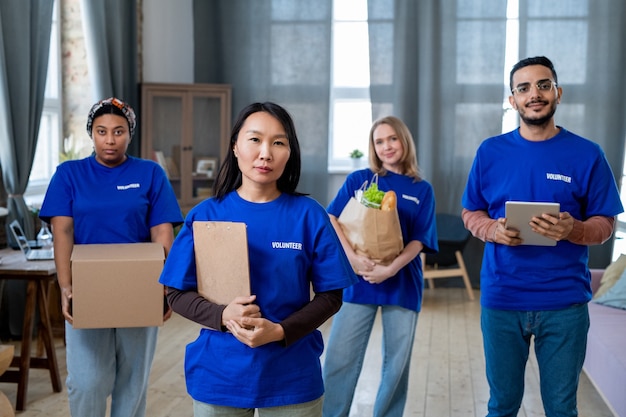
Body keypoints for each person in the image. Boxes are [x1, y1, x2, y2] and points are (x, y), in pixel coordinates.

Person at [159, 102, 357, 417]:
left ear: (289, 153)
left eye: (278, 142)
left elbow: (331, 296)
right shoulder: (205, 216)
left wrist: (279, 331)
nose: (265, 152)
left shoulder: (309, 216)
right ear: (235, 147)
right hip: (219, 377)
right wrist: (224, 315)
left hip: (292, 377)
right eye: (255, 139)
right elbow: (176, 293)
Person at [461, 56, 624, 417]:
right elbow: (470, 212)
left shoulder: (588, 154)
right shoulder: (490, 152)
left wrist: (575, 229)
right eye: (523, 88)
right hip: (503, 299)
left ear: (557, 93)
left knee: (562, 409)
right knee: (501, 405)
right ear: (512, 100)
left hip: (564, 304)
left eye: (543, 85)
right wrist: (492, 229)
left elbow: (605, 225)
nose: (534, 94)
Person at [39, 97, 183, 417]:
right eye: (102, 131)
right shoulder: (69, 174)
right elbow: (62, 232)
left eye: (118, 131)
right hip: (88, 286)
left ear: (129, 134)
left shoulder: (150, 173)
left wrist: (167, 286)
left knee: (132, 381)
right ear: (91, 133)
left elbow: (162, 233)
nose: (110, 139)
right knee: (87, 382)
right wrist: (65, 286)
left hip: (140, 285)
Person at [322, 116, 438, 417]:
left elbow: (420, 240)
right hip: (358, 280)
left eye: (392, 139)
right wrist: (352, 259)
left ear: (404, 141)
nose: (386, 146)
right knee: (339, 359)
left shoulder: (421, 189)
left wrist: (390, 269)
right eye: (379, 141)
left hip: (402, 282)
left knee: (396, 365)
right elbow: (332, 218)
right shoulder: (360, 179)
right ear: (373, 147)